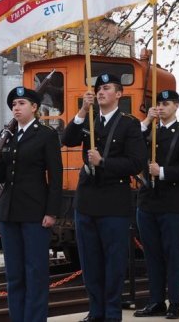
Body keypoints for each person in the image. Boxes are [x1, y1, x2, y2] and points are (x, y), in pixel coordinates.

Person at [62, 73, 146, 322]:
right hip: (86, 201)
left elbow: (136, 162)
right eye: (98, 88)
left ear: (119, 94)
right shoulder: (87, 119)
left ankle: (111, 313)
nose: (100, 92)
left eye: (107, 88)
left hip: (113, 202)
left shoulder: (129, 124)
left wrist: (104, 162)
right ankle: (96, 311)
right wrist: (82, 110)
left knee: (114, 262)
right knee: (90, 262)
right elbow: (67, 140)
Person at [0, 86, 63, 322]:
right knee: (14, 275)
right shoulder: (8, 135)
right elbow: (4, 174)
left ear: (34, 107)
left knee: (35, 272)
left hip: (35, 212)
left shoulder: (46, 135)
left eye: (22, 103)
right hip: (9, 212)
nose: (16, 108)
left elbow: (56, 177)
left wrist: (52, 212)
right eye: (14, 104)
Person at [133, 90, 179, 320]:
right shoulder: (148, 131)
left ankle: (175, 303)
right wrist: (146, 121)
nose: (161, 107)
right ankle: (156, 301)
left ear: (177, 106)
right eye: (158, 103)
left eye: (166, 103)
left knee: (172, 255)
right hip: (147, 203)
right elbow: (133, 148)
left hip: (170, 203)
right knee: (152, 255)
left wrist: (161, 172)